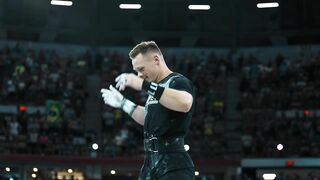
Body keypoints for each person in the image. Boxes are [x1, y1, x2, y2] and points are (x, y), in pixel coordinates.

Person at [101, 41, 195, 180]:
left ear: (156, 60)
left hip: (174, 163)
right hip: (151, 163)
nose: (139, 75)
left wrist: (144, 85)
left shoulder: (177, 81)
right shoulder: (158, 89)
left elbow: (185, 103)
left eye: (141, 69)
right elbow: (149, 118)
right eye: (136, 71)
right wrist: (123, 103)